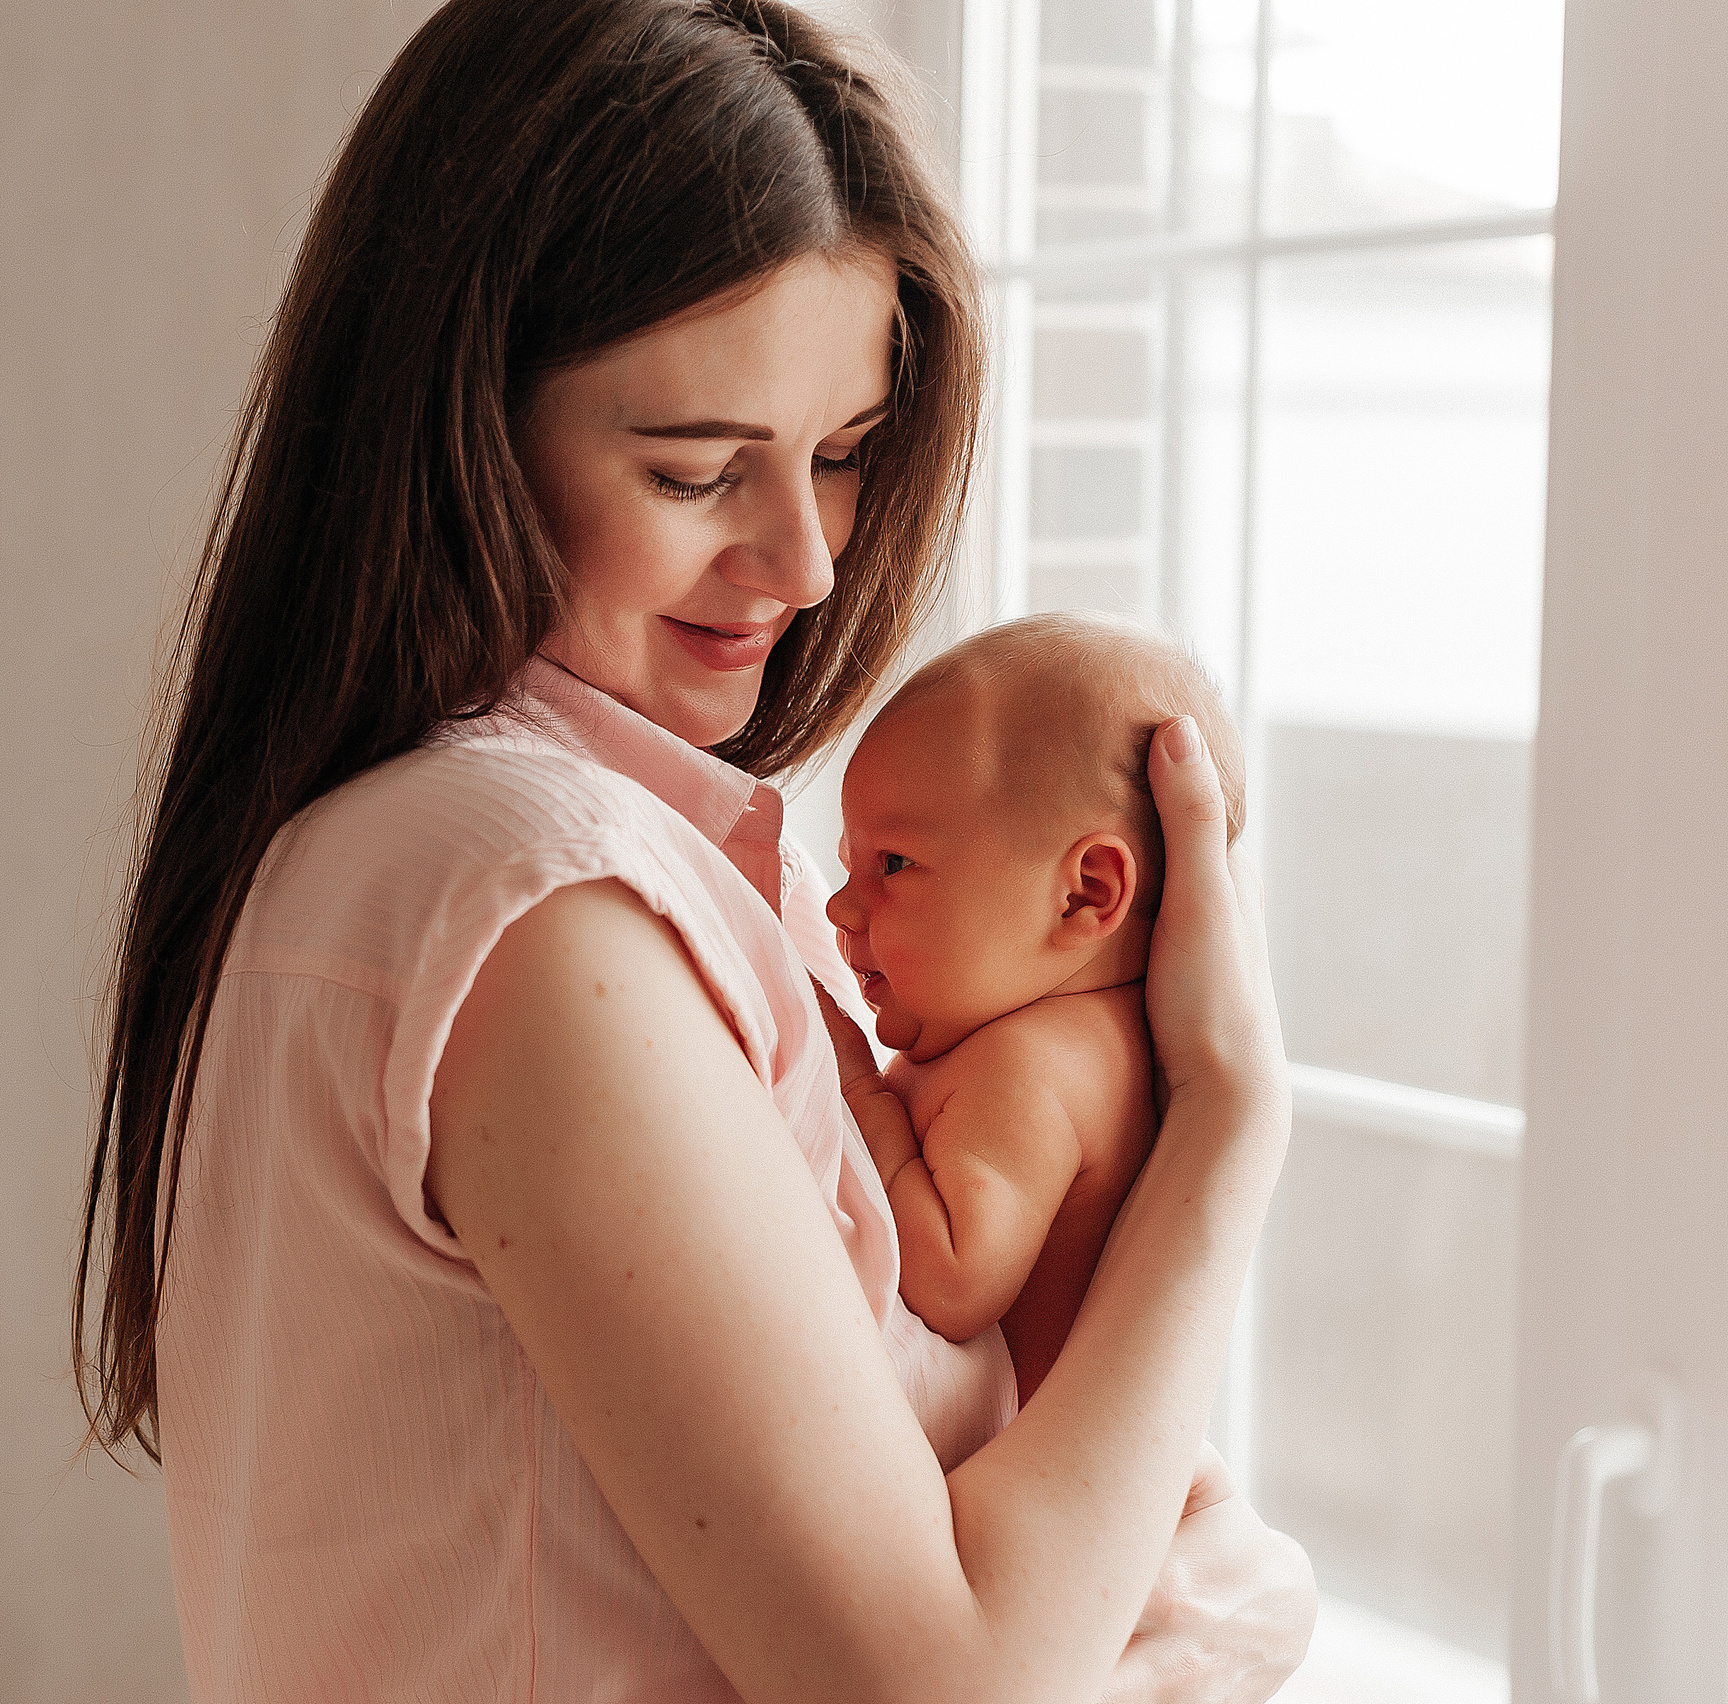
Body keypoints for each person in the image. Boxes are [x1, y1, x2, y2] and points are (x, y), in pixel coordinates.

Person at [73, 1, 1316, 1698]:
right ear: (461, 425)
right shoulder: (538, 901)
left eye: (847, 455)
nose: (805, 559)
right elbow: (954, 1676)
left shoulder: (639, 864)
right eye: (693, 470)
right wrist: (1228, 1133)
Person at [821, 613, 1246, 1404]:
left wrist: (855, 1092)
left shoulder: (1032, 1064)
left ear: (1084, 894)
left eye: (895, 863)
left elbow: (951, 1278)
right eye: (850, 863)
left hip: (1024, 1484)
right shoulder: (1064, 1036)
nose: (843, 909)